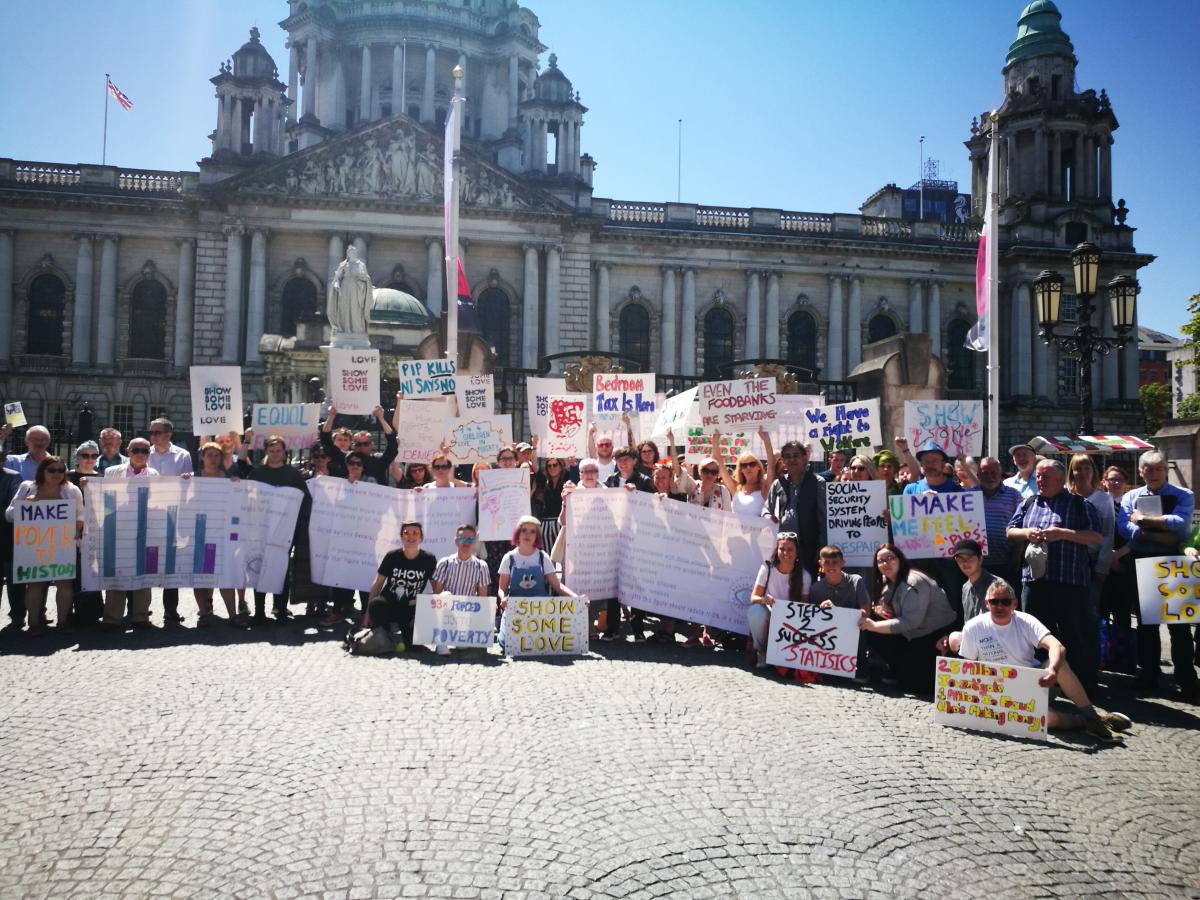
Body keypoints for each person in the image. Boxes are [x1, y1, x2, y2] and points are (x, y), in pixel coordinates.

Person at [943, 579, 1130, 741]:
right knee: (1048, 719)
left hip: (1035, 683)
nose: (999, 607)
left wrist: (1053, 669)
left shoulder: (1025, 621)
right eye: (994, 602)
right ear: (987, 603)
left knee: (1060, 664)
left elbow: (1057, 646)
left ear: (1014, 604)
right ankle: (1088, 721)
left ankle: (1092, 716)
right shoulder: (973, 627)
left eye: (1005, 602)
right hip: (997, 691)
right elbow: (967, 668)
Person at [1006, 459, 1102, 697]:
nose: (1040, 480)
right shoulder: (1029, 502)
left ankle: (1082, 687)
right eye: (1038, 476)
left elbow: (1095, 537)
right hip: (1034, 582)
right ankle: (1039, 687)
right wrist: (1027, 533)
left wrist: (1062, 534)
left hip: (1070, 582)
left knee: (1076, 635)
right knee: (1036, 636)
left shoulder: (1080, 504)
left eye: (1045, 476)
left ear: (1060, 479)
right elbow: (1010, 531)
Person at [1118, 450, 1197, 699]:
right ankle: (1149, 674)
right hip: (1142, 560)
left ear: (1166, 470)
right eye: (1148, 469)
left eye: (1158, 468)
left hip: (1175, 561)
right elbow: (1124, 526)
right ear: (1140, 472)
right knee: (1146, 625)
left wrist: (1143, 519)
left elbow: (1180, 523)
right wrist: (1152, 532)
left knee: (1179, 626)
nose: (1153, 473)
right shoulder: (1130, 496)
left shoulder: (1183, 495)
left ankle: (1186, 678)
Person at [858, 544, 956, 693]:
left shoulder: (914, 582)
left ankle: (904, 668)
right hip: (913, 633)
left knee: (914, 684)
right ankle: (897, 666)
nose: (885, 563)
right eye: (880, 561)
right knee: (871, 628)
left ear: (900, 559)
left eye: (890, 558)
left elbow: (911, 621)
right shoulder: (888, 579)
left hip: (936, 633)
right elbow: (883, 604)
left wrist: (875, 626)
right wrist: (877, 608)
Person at [5, 456, 84, 633]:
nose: (57, 474)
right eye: (52, 470)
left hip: (63, 546)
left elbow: (81, 515)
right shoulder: (27, 487)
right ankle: (33, 623)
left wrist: (78, 527)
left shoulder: (72, 490)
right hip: (35, 546)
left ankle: (62, 623)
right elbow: (9, 514)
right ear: (42, 471)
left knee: (65, 585)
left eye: (61, 470)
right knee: (35, 585)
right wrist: (25, 505)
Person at [247, 435, 310, 622]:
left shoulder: (294, 475)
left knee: (281, 570)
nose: (275, 454)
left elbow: (305, 500)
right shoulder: (257, 474)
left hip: (285, 531)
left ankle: (281, 610)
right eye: (271, 451)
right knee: (259, 569)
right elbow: (246, 497)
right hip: (260, 530)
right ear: (266, 452)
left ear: (284, 452)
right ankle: (259, 612)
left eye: (278, 451)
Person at [100, 437, 159, 629]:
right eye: (136, 450)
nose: (140, 454)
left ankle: (140, 616)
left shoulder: (155, 474)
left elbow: (160, 501)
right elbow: (102, 499)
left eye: (145, 451)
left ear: (149, 454)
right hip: (118, 529)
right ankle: (111, 618)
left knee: (143, 573)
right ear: (128, 451)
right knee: (117, 572)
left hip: (144, 529)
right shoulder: (111, 472)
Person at [497, 515, 576, 650]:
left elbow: (557, 586)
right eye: (524, 530)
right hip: (516, 610)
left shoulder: (542, 557)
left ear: (537, 536)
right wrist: (503, 598)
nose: (528, 534)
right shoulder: (509, 558)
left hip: (540, 611)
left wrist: (577, 598)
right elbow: (501, 589)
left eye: (532, 531)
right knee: (505, 643)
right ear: (518, 533)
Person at [191, 442, 245, 627]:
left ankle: (233, 615)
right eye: (209, 455)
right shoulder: (193, 477)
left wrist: (237, 487)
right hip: (200, 533)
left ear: (221, 458)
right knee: (201, 575)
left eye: (216, 455)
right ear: (202, 457)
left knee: (225, 574)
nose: (213, 459)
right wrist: (183, 482)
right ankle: (204, 614)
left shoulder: (229, 478)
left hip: (223, 534)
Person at [363, 520, 438, 652]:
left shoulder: (429, 559)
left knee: (413, 647)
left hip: (410, 607)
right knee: (376, 604)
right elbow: (377, 584)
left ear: (421, 537)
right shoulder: (392, 556)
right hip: (389, 603)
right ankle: (385, 632)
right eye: (406, 533)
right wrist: (367, 615)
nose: (411, 536)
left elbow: (437, 587)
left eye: (416, 533)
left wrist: (426, 603)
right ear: (401, 537)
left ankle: (407, 635)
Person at [147, 417, 193, 625]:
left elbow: (189, 485)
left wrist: (188, 478)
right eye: (151, 432)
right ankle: (140, 610)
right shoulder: (144, 453)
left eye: (157, 432)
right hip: (149, 514)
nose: (153, 436)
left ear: (168, 434)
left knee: (170, 563)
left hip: (173, 515)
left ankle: (170, 610)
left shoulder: (183, 455)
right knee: (145, 560)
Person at [747, 532, 813, 668]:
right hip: (770, 614)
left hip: (790, 619)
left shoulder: (805, 576)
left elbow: (805, 605)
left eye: (790, 549)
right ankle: (762, 650)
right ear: (776, 551)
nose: (785, 553)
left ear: (797, 553)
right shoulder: (766, 569)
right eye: (782, 549)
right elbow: (753, 598)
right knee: (755, 611)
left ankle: (786, 652)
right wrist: (763, 600)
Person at [762, 440, 825, 580]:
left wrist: (821, 547)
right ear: (783, 461)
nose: (792, 460)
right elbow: (766, 509)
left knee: (807, 583)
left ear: (804, 458)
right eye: (787, 456)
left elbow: (824, 517)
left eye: (796, 455)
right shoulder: (778, 484)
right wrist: (768, 517)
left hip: (809, 547)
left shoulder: (817, 482)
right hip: (783, 549)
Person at [429, 523, 491, 655]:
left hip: (467, 614)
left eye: (470, 539)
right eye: (462, 538)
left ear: (475, 542)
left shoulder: (481, 566)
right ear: (456, 541)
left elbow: (482, 599)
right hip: (447, 614)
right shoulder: (444, 563)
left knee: (462, 647)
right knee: (444, 595)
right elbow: (437, 594)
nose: (466, 542)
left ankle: (461, 636)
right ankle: (441, 641)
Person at [67, 442, 103, 627]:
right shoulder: (67, 477)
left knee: (92, 571)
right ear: (77, 457)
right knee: (74, 573)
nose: (90, 459)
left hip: (95, 531)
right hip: (71, 533)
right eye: (85, 455)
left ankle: (93, 613)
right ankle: (74, 612)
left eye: (94, 456)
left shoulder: (101, 478)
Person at [976, 456, 1022, 585]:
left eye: (993, 472)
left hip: (1006, 561)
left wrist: (1016, 556)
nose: (989, 476)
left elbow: (1021, 526)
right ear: (978, 475)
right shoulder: (968, 496)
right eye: (985, 473)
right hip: (975, 563)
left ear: (1000, 474)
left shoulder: (1014, 495)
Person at [716, 430, 775, 526]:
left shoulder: (765, 488)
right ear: (741, 470)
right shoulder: (735, 487)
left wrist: (766, 440)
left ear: (758, 467)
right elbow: (719, 462)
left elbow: (771, 466)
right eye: (744, 465)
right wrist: (715, 440)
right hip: (734, 533)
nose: (748, 467)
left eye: (752, 464)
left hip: (758, 534)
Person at [0, 463, 25, 631]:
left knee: (14, 579)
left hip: (7, 536)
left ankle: (17, 615)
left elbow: (13, 508)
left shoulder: (12, 477)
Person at [952, 538, 1002, 622]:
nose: (965, 563)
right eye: (960, 559)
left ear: (980, 560)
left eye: (970, 558)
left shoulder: (998, 587)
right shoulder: (965, 587)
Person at [810, 545, 870, 612]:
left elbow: (866, 612)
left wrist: (836, 611)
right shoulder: (815, 589)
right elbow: (813, 615)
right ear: (820, 563)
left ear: (842, 563)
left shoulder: (856, 581)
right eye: (826, 562)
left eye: (834, 562)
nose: (831, 566)